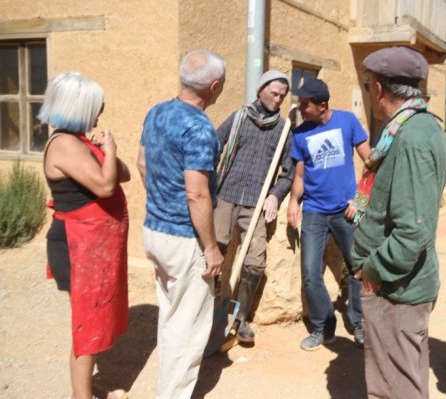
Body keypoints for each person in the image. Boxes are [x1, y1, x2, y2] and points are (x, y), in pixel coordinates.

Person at [350, 47, 446, 398]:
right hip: (400, 286)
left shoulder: (410, 138)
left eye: (368, 87)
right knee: (405, 381)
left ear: (378, 89)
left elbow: (412, 230)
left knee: (393, 388)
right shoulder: (417, 127)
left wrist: (373, 271)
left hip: (395, 289)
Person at [136, 50, 225, 399]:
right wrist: (211, 248)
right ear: (214, 87)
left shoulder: (156, 112)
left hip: (154, 231)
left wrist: (161, 201)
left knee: (172, 315)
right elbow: (196, 194)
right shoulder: (199, 127)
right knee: (188, 328)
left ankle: (167, 387)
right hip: (184, 240)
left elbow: (142, 163)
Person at [39, 72, 130, 399]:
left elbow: (123, 174)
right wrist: (110, 151)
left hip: (91, 247)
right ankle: (81, 396)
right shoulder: (64, 144)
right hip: (77, 247)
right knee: (87, 327)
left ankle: (86, 388)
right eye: (96, 107)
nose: (99, 113)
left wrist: (108, 153)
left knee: (92, 322)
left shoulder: (80, 141)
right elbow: (106, 185)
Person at [287, 78, 371, 351]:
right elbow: (300, 175)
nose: (300, 108)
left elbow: (371, 162)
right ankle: (324, 327)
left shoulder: (347, 121)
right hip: (314, 211)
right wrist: (293, 201)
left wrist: (360, 200)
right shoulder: (300, 134)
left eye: (305, 104)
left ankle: (360, 324)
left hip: (347, 210)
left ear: (322, 105)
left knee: (358, 268)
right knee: (310, 272)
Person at [213, 70, 294, 344]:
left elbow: (289, 173)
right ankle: (208, 309)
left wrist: (275, 196)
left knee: (255, 263)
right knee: (214, 251)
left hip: (256, 203)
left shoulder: (283, 130)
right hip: (226, 195)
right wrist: (208, 184)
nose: (278, 99)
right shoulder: (239, 118)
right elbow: (213, 145)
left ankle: (240, 317)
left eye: (282, 96)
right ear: (261, 90)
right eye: (274, 93)